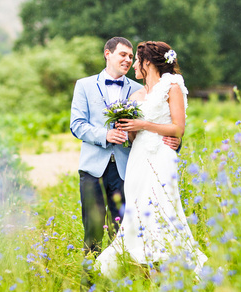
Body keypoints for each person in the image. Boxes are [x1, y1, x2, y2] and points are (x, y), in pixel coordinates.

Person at [95, 41, 208, 277]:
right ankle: (143, 267)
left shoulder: (172, 85)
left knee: (162, 206)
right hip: (138, 157)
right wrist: (126, 126)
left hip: (161, 156)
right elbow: (134, 134)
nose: (134, 64)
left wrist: (143, 124)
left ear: (148, 62)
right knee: (136, 209)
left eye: (137, 59)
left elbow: (178, 128)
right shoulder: (137, 94)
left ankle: (168, 263)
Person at [70, 37, 181, 260]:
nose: (128, 60)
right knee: (91, 233)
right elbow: (77, 125)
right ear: (107, 54)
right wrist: (105, 135)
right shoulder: (84, 85)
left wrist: (176, 142)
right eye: (123, 55)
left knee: (122, 232)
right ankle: (89, 283)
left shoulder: (143, 89)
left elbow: (165, 119)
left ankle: (121, 280)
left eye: (131, 57)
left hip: (128, 169)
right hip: (93, 170)